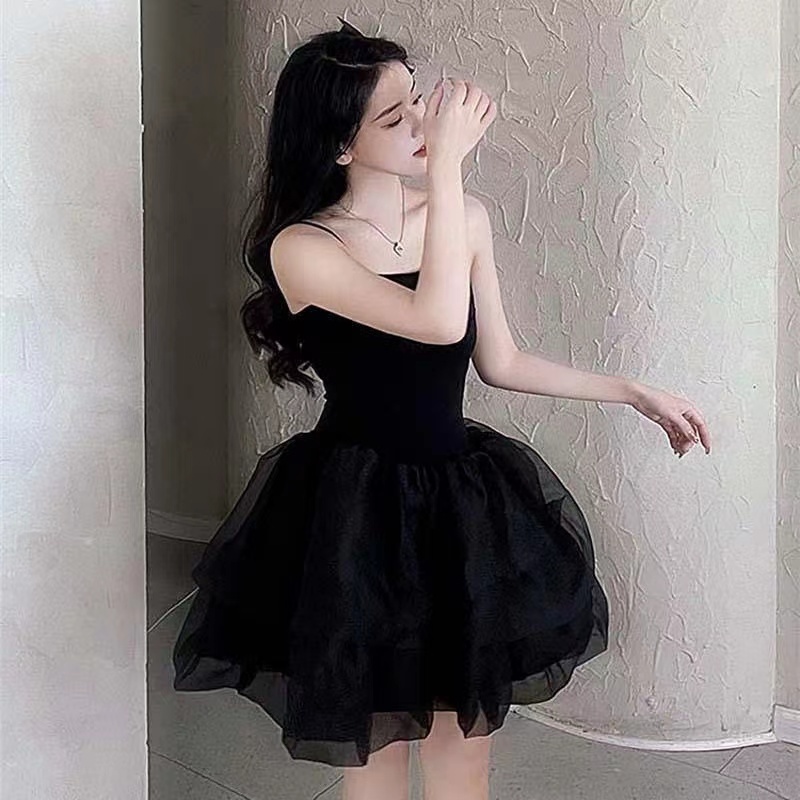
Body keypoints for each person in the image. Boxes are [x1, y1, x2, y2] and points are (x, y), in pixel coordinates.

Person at [171, 21, 712, 800]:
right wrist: (450, 171)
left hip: (461, 507)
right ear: (340, 146)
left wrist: (632, 391)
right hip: (355, 517)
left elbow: (502, 361)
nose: (425, 124)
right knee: (376, 753)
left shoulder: (465, 218)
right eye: (396, 118)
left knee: (464, 756)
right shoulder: (305, 247)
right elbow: (434, 321)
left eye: (419, 102)